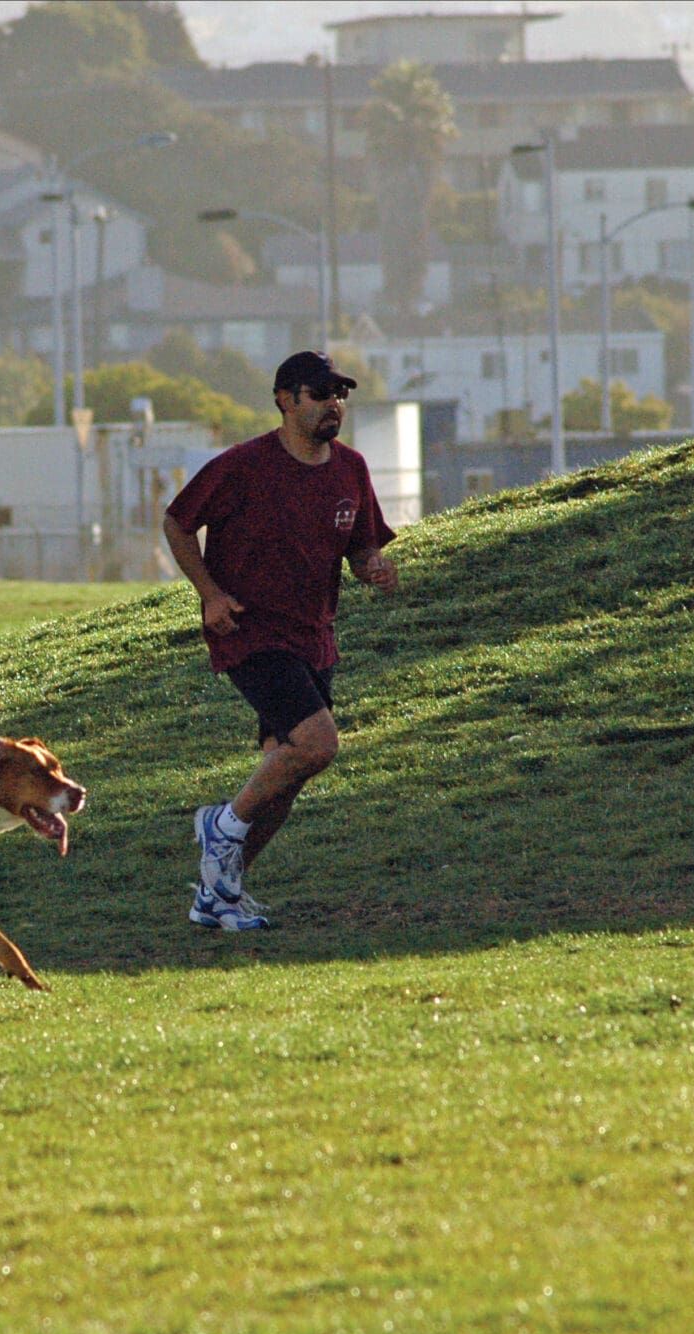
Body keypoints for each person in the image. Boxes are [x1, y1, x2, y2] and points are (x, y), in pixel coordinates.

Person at [162, 351, 400, 931]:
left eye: (340, 393)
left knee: (285, 776)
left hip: (314, 637)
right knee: (318, 744)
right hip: (249, 630)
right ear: (285, 399)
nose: (334, 404)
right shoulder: (244, 466)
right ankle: (221, 825)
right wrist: (209, 595)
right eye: (320, 393)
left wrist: (372, 568)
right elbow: (177, 521)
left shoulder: (352, 469)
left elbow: (362, 546)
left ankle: (217, 896)